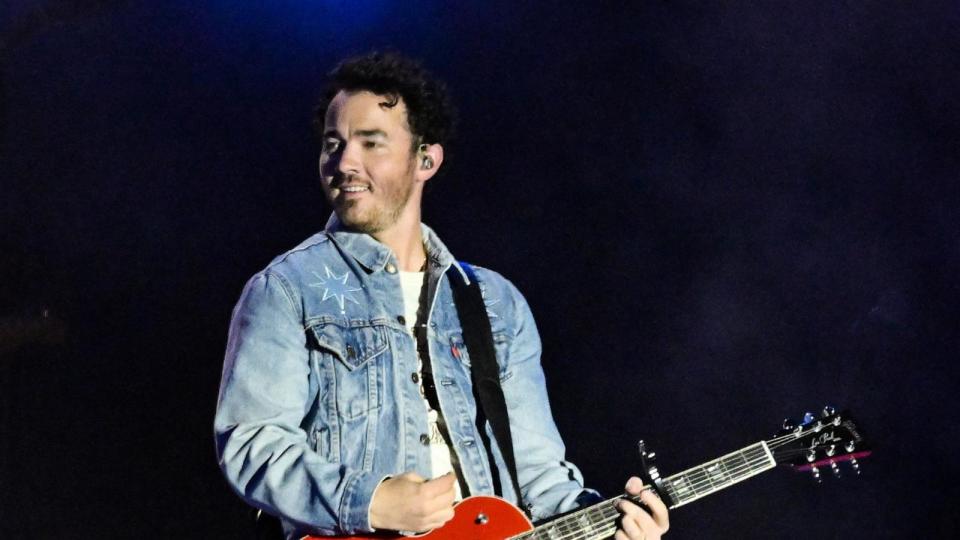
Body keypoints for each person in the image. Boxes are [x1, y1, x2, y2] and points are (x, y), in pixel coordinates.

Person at [214, 51, 669, 540]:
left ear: (425, 159)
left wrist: (612, 525)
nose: (345, 161)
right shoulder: (286, 289)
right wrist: (371, 501)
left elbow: (539, 475)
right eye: (334, 143)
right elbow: (253, 446)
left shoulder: (495, 303)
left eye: (371, 143)